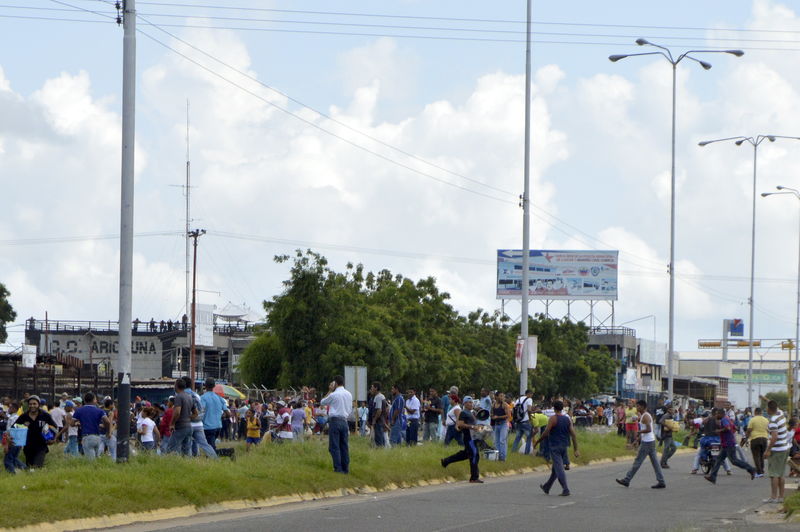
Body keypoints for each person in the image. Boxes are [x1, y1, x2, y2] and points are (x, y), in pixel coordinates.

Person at [616, 400, 666, 489]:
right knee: (655, 463)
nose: (637, 408)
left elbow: (649, 429)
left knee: (637, 462)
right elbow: (645, 432)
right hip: (650, 441)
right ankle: (661, 481)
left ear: (643, 407)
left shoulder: (645, 416)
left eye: (638, 406)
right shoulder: (644, 415)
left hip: (647, 442)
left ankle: (627, 480)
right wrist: (636, 440)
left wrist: (639, 432)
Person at [535, 400, 579, 496]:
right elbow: (573, 435)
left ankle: (565, 489)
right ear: (562, 408)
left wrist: (538, 441)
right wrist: (576, 449)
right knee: (555, 469)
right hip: (564, 446)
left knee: (559, 469)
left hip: (555, 446)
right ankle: (547, 486)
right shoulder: (567, 419)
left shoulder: (553, 419)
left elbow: (546, 432)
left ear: (554, 409)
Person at [704, 408, 755, 484]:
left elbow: (727, 428)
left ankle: (751, 469)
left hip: (729, 444)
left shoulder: (724, 419)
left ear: (721, 414)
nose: (716, 415)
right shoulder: (727, 419)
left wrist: (719, 431)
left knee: (734, 461)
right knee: (718, 460)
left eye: (717, 414)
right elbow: (735, 428)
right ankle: (713, 477)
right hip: (726, 443)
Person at [441, 396, 483, 483]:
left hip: (473, 437)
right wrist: (472, 427)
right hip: (468, 437)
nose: (471, 404)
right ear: (464, 404)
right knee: (474, 454)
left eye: (471, 402)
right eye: (468, 402)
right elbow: (460, 424)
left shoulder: (471, 413)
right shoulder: (463, 413)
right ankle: (474, 477)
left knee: (465, 454)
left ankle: (446, 461)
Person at [320, 375, 353, 473]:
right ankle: (345, 468)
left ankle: (338, 469)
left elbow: (322, 402)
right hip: (344, 421)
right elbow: (350, 409)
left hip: (335, 421)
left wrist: (330, 390)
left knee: (334, 446)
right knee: (344, 446)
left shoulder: (333, 394)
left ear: (335, 383)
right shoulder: (349, 394)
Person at [15, 396, 57, 468]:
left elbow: (54, 428)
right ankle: (31, 477)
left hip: (41, 446)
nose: (32, 406)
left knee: (37, 465)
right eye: (30, 404)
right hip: (28, 446)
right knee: (30, 466)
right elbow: (15, 428)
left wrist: (53, 439)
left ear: (39, 404)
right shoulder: (23, 416)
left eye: (34, 404)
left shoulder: (45, 415)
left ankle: (37, 474)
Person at [763, 400, 792, 503]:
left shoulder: (773, 421)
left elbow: (774, 437)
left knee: (774, 474)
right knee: (781, 474)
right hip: (785, 448)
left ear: (769, 409)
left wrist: (768, 450)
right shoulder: (781, 414)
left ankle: (774, 497)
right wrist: (765, 399)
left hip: (777, 450)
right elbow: (773, 403)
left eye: (767, 408)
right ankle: (781, 497)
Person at [71, 392, 109, 460]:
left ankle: (92, 470)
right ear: (94, 400)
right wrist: (108, 432)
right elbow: (107, 422)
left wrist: (79, 424)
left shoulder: (79, 410)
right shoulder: (100, 411)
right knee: (97, 458)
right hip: (97, 437)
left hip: (87, 436)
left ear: (84, 400)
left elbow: (72, 423)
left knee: (90, 461)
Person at [167, 378, 194, 455]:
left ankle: (170, 465)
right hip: (189, 427)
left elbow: (177, 412)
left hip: (180, 427)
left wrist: (172, 424)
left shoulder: (179, 397)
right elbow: (196, 413)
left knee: (170, 449)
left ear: (176, 386)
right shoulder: (189, 397)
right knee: (186, 451)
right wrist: (187, 418)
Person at [200, 377, 229, 451]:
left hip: (208, 427)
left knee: (210, 449)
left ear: (205, 386)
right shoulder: (219, 398)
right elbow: (228, 413)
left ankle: (228, 452)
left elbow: (201, 412)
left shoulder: (203, 398)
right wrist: (219, 415)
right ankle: (210, 459)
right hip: (218, 427)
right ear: (214, 386)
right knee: (210, 446)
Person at [743, 407, 769, 477]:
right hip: (764, 439)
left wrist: (746, 439)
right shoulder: (766, 420)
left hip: (755, 439)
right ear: (761, 412)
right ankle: (762, 470)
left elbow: (749, 430)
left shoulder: (752, 419)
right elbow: (768, 430)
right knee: (761, 455)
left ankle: (759, 472)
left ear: (755, 412)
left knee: (756, 456)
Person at [511, 389, 533, 455]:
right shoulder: (529, 399)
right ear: (529, 394)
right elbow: (529, 410)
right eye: (531, 394)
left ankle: (513, 451)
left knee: (517, 437)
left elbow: (513, 410)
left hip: (518, 421)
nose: (532, 396)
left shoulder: (518, 399)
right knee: (529, 437)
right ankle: (526, 453)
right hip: (525, 421)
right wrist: (530, 418)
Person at [490, 392, 511, 461]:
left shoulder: (504, 405)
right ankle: (498, 456)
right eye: (500, 396)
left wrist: (498, 417)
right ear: (496, 397)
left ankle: (503, 458)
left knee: (502, 441)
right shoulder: (493, 405)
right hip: (496, 424)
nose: (502, 397)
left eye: (503, 396)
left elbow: (508, 415)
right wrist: (492, 416)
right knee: (496, 441)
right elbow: (491, 413)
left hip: (503, 424)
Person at [369, 382, 387, 447]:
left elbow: (379, 410)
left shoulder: (378, 397)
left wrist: (374, 420)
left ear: (376, 388)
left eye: (372, 387)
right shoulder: (382, 396)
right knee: (381, 439)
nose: (371, 389)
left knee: (379, 440)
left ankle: (381, 452)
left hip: (378, 422)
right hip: (381, 421)